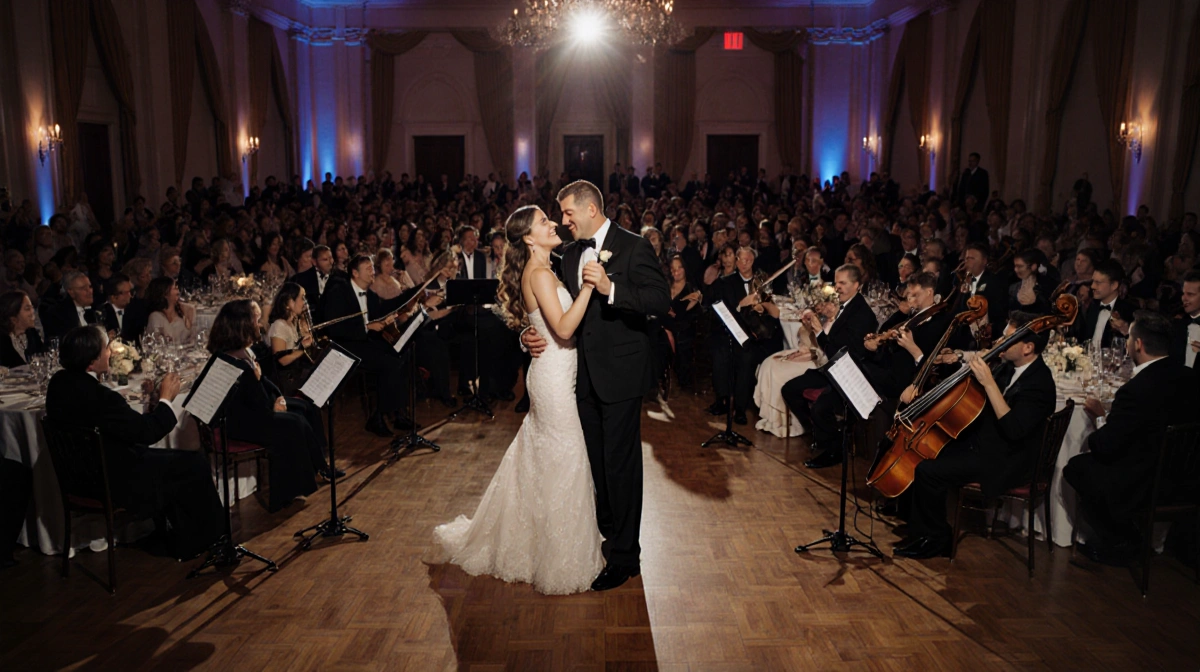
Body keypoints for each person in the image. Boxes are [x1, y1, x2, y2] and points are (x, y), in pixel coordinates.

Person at [434, 204, 605, 595]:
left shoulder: (546, 266)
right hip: (554, 377)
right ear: (529, 238)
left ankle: (537, 544)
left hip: (555, 372)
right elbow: (562, 328)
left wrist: (529, 330)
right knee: (565, 457)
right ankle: (560, 556)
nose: (554, 223)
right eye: (545, 221)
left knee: (546, 458)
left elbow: (543, 322)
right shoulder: (540, 273)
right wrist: (591, 287)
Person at [521, 180, 671, 591]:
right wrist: (526, 334)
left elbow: (660, 300)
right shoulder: (568, 253)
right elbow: (549, 309)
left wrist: (612, 289)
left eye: (568, 213)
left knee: (622, 466)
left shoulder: (633, 245)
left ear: (590, 209)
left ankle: (627, 556)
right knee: (595, 465)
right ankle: (607, 535)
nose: (563, 221)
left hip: (621, 374)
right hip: (577, 377)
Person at [45, 326, 224, 560]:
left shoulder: (58, 384)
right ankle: (210, 538)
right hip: (116, 480)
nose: (111, 353)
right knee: (194, 463)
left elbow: (119, 426)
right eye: (106, 349)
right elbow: (148, 433)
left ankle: (185, 534)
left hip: (80, 477)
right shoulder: (102, 398)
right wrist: (166, 399)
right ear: (91, 361)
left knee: (176, 462)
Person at [894, 311, 1057, 559]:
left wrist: (989, 383)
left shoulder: (1040, 384)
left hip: (1007, 460)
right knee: (926, 450)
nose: (999, 342)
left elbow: (1014, 429)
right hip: (988, 444)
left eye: (1007, 338)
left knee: (929, 471)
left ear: (1028, 348)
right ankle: (921, 528)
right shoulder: (1007, 367)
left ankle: (937, 539)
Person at [1064, 311, 1200, 566]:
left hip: (1144, 482)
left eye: (1128, 338)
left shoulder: (1135, 390)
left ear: (1138, 344)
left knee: (1077, 468)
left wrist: (1100, 418)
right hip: (1187, 476)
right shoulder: (1191, 378)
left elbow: (1106, 447)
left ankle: (1122, 540)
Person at [207, 300, 329, 512]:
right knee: (294, 422)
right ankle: (289, 490)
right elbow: (249, 400)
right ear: (243, 324)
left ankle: (315, 469)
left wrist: (277, 399)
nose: (260, 324)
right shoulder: (230, 359)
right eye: (255, 319)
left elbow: (263, 385)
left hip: (256, 410)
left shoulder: (245, 351)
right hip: (241, 422)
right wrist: (272, 404)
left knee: (302, 408)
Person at [780, 264, 878, 468]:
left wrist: (819, 332)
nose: (837, 287)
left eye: (843, 283)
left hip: (849, 375)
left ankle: (835, 449)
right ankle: (822, 435)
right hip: (832, 370)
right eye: (836, 282)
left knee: (820, 408)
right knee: (789, 389)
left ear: (857, 285)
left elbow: (839, 351)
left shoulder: (862, 314)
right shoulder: (846, 305)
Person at [321, 253, 411, 436]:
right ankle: (379, 416)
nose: (373, 271)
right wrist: (368, 326)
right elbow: (336, 328)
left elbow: (384, 309)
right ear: (355, 273)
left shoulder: (370, 295)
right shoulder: (339, 292)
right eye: (368, 268)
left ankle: (398, 413)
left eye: (373, 267)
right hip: (347, 346)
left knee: (402, 354)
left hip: (365, 342)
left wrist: (412, 293)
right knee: (389, 364)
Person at [266, 282, 317, 396]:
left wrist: (303, 343)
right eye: (301, 298)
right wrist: (301, 351)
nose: (304, 303)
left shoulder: (293, 323)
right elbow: (281, 360)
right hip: (286, 383)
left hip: (295, 375)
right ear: (289, 302)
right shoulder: (279, 325)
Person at [1072, 259, 1136, 348]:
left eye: (1098, 283)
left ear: (1114, 285)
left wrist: (1127, 332)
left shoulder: (1129, 312)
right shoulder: (1092, 306)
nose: (1092, 286)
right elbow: (1081, 337)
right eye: (1093, 281)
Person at [661, 256, 702, 390]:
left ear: (685, 269)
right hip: (664, 324)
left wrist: (677, 306)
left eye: (679, 268)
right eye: (673, 269)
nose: (676, 271)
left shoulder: (691, 288)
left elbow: (683, 313)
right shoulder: (666, 286)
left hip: (683, 326)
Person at [41, 271, 101, 342]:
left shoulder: (93, 310)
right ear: (71, 292)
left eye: (90, 286)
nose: (90, 291)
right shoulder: (58, 314)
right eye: (83, 288)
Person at [292, 245, 337, 322]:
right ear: (314, 262)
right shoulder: (300, 279)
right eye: (325, 259)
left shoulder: (342, 278)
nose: (331, 262)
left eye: (331, 258)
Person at [145, 277, 197, 343]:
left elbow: (194, 338)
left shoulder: (183, 313)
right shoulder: (155, 317)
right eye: (175, 288)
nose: (178, 292)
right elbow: (157, 343)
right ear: (165, 293)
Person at [0, 290, 45, 367]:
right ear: (13, 318)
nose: (32, 312)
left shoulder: (32, 333)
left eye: (32, 307)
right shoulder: (2, 342)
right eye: (27, 309)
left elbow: (44, 358)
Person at [101, 273, 147, 343]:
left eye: (131, 291)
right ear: (113, 297)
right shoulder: (102, 313)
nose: (131, 296)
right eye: (127, 292)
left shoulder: (136, 309)